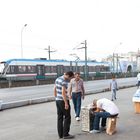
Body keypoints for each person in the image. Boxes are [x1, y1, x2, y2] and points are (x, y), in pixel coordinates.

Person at [54, 71, 75, 139]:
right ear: (68, 76)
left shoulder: (58, 79)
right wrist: (66, 103)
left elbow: (54, 89)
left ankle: (60, 134)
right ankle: (65, 134)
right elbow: (63, 93)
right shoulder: (64, 81)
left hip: (58, 100)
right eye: (71, 78)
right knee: (67, 117)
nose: (71, 79)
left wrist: (56, 98)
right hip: (63, 101)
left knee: (60, 117)